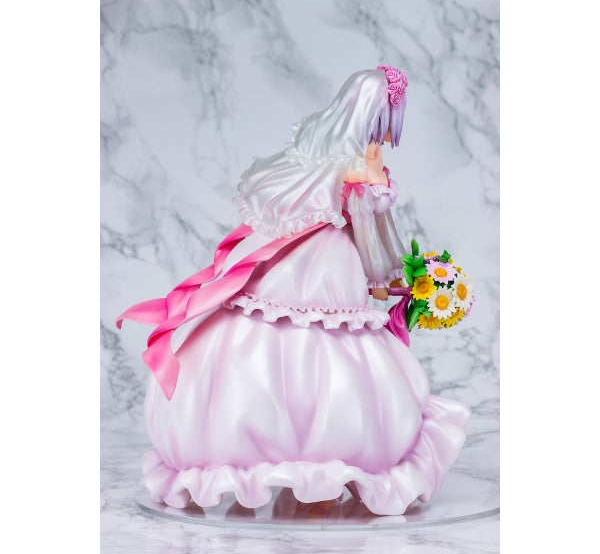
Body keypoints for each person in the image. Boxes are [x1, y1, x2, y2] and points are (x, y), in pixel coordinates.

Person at [117, 67, 470, 515]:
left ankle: (291, 450)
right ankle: (313, 453)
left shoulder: (337, 157)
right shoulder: (361, 164)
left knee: (295, 341)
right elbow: (370, 233)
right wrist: (385, 278)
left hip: (318, 259)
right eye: (388, 117)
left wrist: (391, 275)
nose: (388, 130)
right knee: (316, 340)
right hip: (327, 262)